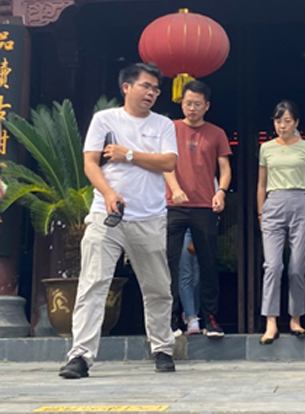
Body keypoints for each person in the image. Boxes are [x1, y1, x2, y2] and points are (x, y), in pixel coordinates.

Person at [59, 62, 178, 379]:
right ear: (127, 87)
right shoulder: (104, 119)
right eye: (146, 86)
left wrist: (129, 155)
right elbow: (90, 163)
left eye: (156, 89)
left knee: (158, 287)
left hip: (150, 218)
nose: (151, 93)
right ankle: (80, 356)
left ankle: (162, 348)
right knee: (93, 284)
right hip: (106, 215)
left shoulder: (163, 124)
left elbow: (168, 162)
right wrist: (109, 193)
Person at [165, 80, 231, 339]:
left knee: (208, 264)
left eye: (197, 104)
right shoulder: (170, 128)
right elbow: (165, 164)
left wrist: (221, 192)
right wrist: (175, 189)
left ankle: (210, 319)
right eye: (188, 103)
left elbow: (225, 168)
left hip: (204, 206)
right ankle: (171, 320)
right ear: (181, 103)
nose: (192, 108)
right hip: (174, 205)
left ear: (207, 106)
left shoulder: (216, 133)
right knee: (170, 264)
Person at [257, 100, 305, 344]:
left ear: (296, 122)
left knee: (297, 266)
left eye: (287, 121)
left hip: (300, 202)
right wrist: (260, 213)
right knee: (273, 265)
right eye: (278, 121)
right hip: (273, 203)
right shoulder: (266, 148)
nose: (282, 125)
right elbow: (261, 184)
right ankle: (271, 321)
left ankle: (295, 318)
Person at [179, 228, 202, 335]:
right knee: (186, 273)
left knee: (197, 276)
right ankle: (191, 318)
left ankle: (192, 312)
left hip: (199, 227)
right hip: (184, 229)